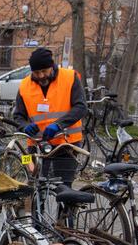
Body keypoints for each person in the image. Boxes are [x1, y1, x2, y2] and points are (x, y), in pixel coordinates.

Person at [12, 47, 88, 188]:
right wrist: (24, 126)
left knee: (63, 187)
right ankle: (36, 209)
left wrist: (58, 125)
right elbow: (18, 115)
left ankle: (64, 210)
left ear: (51, 67)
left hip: (66, 143)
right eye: (36, 72)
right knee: (35, 186)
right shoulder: (24, 85)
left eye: (44, 71)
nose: (41, 76)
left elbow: (81, 107)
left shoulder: (70, 78)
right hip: (37, 145)